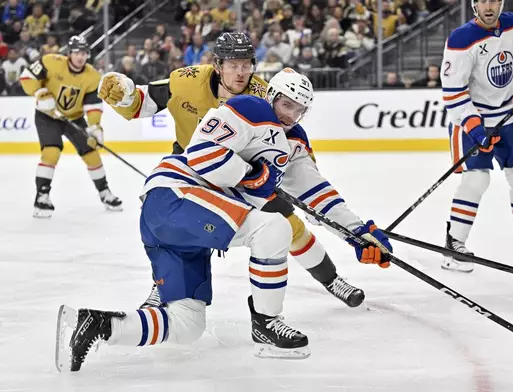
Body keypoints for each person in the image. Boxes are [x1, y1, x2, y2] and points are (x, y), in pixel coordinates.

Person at [56, 69, 391, 371]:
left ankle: (94, 326)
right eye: (286, 104)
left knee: (187, 325)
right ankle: (266, 322)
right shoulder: (251, 109)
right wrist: (250, 173)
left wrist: (358, 233)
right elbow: (202, 154)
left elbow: (317, 194)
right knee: (274, 228)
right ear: (271, 96)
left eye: (298, 109)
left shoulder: (294, 144)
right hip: (177, 194)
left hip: (182, 226)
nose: (290, 115)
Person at [98, 32, 369, 309]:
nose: (241, 73)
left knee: (291, 226)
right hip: (191, 171)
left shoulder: (266, 98)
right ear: (218, 66)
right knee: (182, 231)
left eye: (246, 65)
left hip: (242, 177)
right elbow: (143, 103)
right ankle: (162, 287)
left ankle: (332, 279)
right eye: (233, 65)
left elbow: (286, 150)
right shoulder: (187, 80)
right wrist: (126, 95)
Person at [439, 0, 513, 272]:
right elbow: (453, 93)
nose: (489, 6)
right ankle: (454, 243)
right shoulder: (461, 40)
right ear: (474, 5)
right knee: (476, 180)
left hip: (507, 118)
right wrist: (475, 127)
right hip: (471, 121)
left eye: (494, 0)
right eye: (483, 1)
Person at [19, 35, 122, 218]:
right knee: (51, 152)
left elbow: (92, 105)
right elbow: (27, 77)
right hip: (47, 116)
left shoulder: (92, 76)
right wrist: (41, 93)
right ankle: (42, 196)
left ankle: (105, 192)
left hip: (74, 118)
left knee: (91, 152)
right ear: (69, 53)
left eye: (84, 53)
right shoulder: (51, 61)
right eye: (76, 53)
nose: (80, 57)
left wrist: (95, 127)